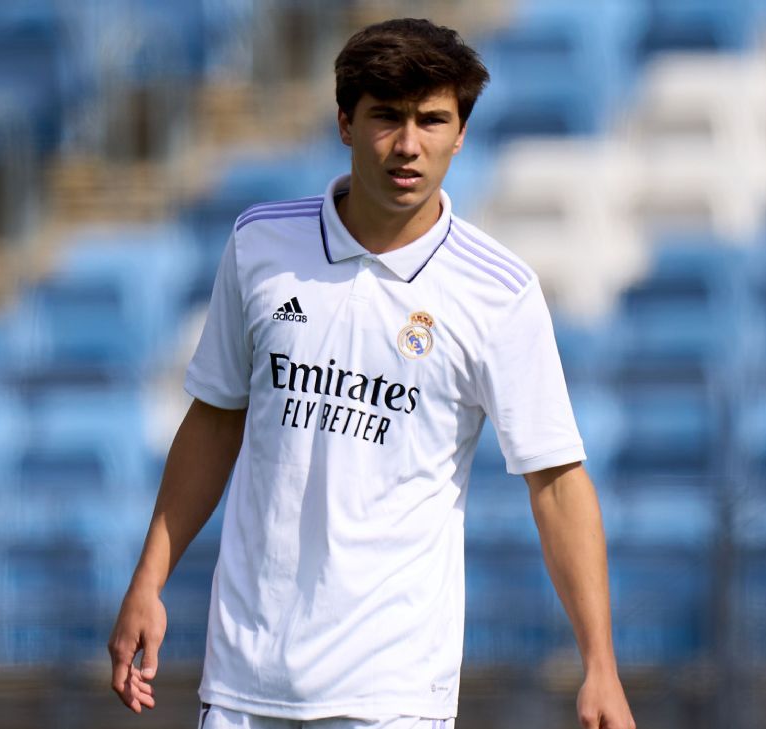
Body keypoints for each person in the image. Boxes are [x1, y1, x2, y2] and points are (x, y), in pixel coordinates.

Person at [108, 17, 635, 729]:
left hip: (392, 693)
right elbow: (215, 418)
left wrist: (600, 664)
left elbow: (558, 482)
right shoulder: (261, 243)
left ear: (461, 134)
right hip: (244, 681)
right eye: (387, 116)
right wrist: (149, 579)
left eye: (432, 120)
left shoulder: (499, 292)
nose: (408, 144)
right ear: (344, 123)